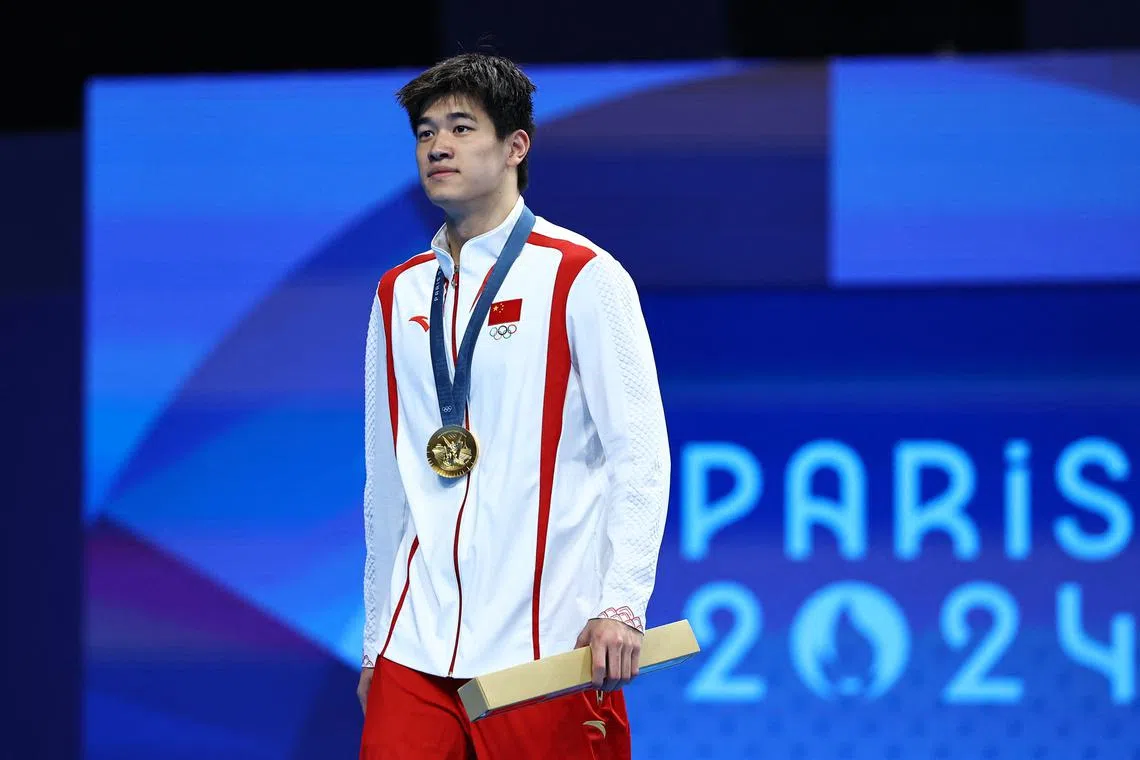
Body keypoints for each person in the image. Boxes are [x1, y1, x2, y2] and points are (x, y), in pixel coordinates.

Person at [357, 51, 670, 759]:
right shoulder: (396, 293)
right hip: (416, 647)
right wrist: (377, 640)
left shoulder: (583, 276)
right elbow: (387, 479)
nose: (437, 145)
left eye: (462, 128)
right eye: (426, 131)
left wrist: (621, 602)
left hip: (546, 645)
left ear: (515, 147)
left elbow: (639, 452)